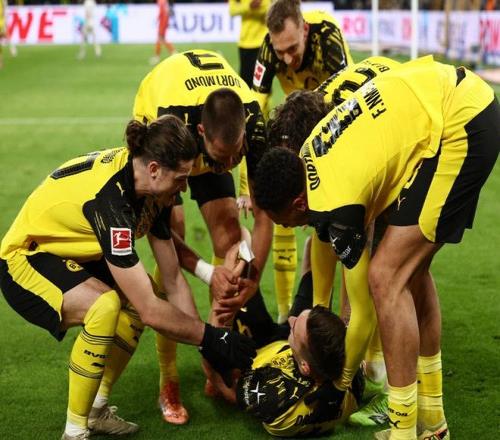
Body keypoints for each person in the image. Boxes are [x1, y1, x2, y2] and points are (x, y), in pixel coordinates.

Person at [252, 56, 500, 440]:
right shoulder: (310, 166)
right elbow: (323, 254)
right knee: (409, 271)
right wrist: (315, 314)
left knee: (385, 277)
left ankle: (404, 430)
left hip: (458, 122)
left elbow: (363, 310)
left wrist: (339, 386)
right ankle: (431, 422)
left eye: (284, 221)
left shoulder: (335, 201)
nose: (288, 228)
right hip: (445, 108)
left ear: (298, 203)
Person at [0, 115, 256, 440]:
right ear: (154, 169)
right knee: (105, 306)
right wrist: (212, 337)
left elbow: (173, 280)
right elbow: (151, 310)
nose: (184, 188)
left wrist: (210, 346)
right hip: (25, 258)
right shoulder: (112, 204)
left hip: (72, 252)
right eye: (181, 178)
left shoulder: (150, 189)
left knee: (137, 298)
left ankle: (96, 410)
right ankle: (74, 432)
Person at [133, 49, 272, 424]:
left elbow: (263, 215)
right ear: (201, 135)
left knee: (231, 239)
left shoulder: (253, 120)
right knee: (172, 236)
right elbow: (162, 236)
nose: (228, 166)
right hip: (162, 114)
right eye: (221, 157)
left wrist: (251, 278)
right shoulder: (170, 123)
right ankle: (169, 379)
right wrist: (210, 274)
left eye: (235, 156)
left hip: (208, 125)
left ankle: (219, 357)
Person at [240, 0, 353, 325]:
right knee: (282, 206)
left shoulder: (327, 36)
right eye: (281, 52)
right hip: (295, 121)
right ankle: (286, 314)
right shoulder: (269, 47)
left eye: (292, 49)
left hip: (334, 119)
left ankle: (346, 318)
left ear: (304, 30)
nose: (287, 59)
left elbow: (344, 103)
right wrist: (248, 187)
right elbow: (255, 109)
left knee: (338, 223)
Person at [203, 237, 364, 437]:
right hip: (297, 347)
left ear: (305, 367)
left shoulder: (274, 400)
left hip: (255, 349)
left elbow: (225, 386)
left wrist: (215, 327)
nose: (291, 319)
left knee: (236, 258)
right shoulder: (351, 378)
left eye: (294, 325)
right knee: (313, 247)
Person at [228, 0, 270, 88]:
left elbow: (269, 10)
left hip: (262, 42)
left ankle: (262, 98)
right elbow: (232, 10)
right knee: (245, 81)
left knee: (263, 82)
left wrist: (253, 8)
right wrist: (249, 7)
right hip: (245, 43)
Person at [150, 0, 175, 66]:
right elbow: (167, 11)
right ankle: (172, 52)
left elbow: (162, 12)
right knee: (161, 39)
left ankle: (157, 56)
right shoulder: (164, 1)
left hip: (163, 21)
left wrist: (158, 19)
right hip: (164, 20)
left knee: (160, 38)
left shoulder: (161, 1)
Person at [0, 0, 17, 69]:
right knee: (3, 35)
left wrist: (5, 20)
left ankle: (11, 46)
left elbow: (5, 8)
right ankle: (1, 62)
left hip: (1, 21)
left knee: (4, 34)